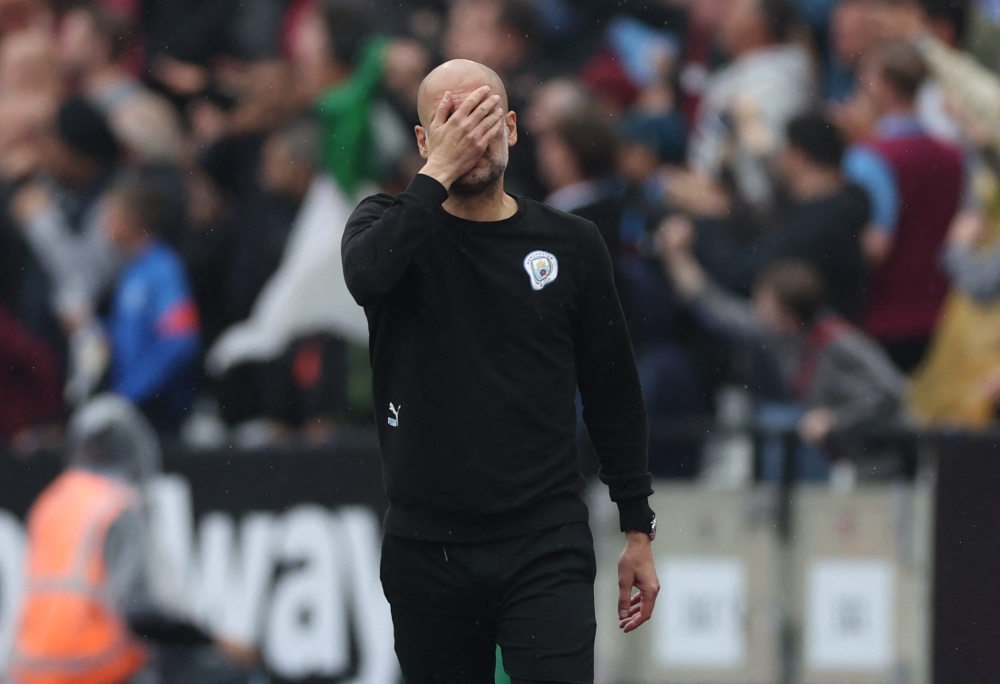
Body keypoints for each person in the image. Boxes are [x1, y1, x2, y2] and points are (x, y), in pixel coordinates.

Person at [342, 59, 658, 683]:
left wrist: (637, 526)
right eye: (450, 120)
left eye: (484, 117)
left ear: (512, 129)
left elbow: (613, 389)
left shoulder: (572, 243)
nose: (470, 136)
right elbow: (368, 277)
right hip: (426, 544)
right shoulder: (384, 225)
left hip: (544, 538)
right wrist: (437, 174)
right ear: (422, 142)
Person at [659, 217, 908, 473]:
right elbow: (716, 307)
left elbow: (892, 389)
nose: (756, 309)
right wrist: (676, 256)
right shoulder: (779, 334)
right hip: (843, 455)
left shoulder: (839, 341)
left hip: (881, 456)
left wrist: (835, 420)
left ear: (787, 314)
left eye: (764, 302)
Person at [8, 395, 158, 684]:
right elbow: (138, 607)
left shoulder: (51, 500)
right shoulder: (117, 506)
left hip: (32, 667)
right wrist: (206, 642)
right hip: (96, 663)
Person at [842, 39, 963, 372]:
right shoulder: (953, 155)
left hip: (883, 315)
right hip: (942, 312)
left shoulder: (869, 158)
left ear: (885, 86)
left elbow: (875, 246)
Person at [102, 175, 201, 433]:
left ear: (131, 219)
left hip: (159, 409)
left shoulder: (163, 269)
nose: (103, 224)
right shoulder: (131, 272)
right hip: (132, 405)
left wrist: (134, 390)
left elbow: (181, 338)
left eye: (110, 215)